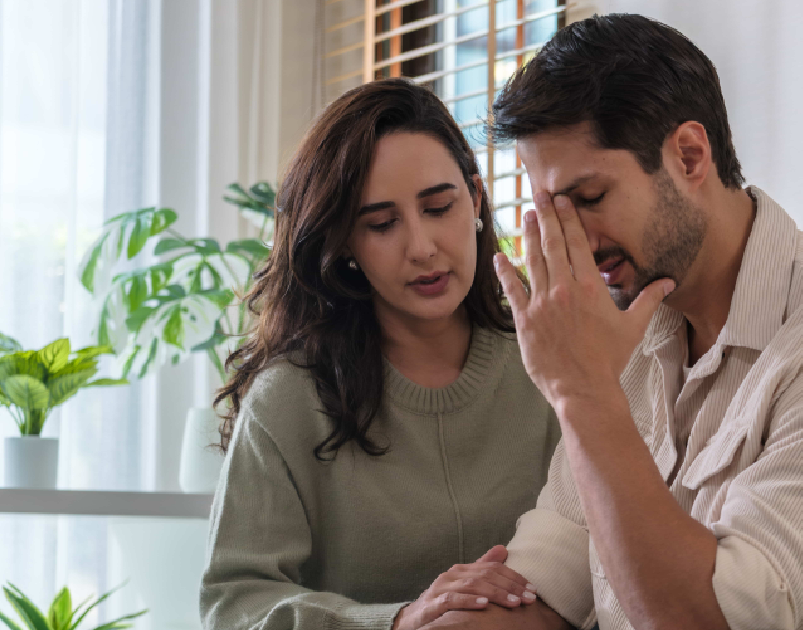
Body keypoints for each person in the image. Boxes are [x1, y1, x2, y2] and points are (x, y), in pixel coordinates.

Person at [425, 12, 803, 630]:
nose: (570, 239)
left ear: (688, 155)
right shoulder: (628, 332)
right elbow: (542, 585)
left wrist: (580, 393)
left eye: (590, 198)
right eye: (549, 209)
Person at [200, 79, 559, 630]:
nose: (422, 246)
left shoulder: (555, 359)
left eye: (439, 207)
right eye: (382, 224)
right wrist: (396, 622)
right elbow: (234, 607)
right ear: (344, 243)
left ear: (477, 199)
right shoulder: (291, 400)